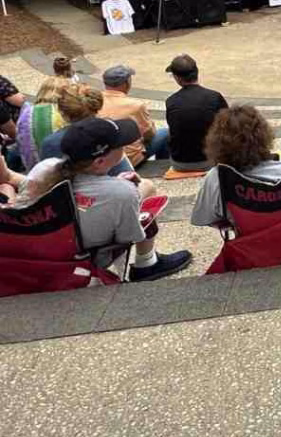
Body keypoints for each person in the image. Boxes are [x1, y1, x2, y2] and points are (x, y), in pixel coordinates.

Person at [26, 118, 192, 281]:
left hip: (48, 253)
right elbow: (128, 237)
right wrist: (124, 191)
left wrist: (116, 185)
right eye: (120, 145)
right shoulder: (122, 192)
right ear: (99, 161)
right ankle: (147, 263)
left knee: (143, 188)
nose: (124, 147)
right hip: (91, 260)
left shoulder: (44, 169)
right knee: (146, 194)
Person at [40, 83, 132, 175]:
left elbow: (47, 174)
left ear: (63, 114)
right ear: (97, 107)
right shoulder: (109, 132)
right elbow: (125, 171)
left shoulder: (50, 143)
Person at [165, 54, 228, 172]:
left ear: (177, 78)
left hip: (180, 163)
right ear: (197, 72)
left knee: (165, 133)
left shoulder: (171, 101)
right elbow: (228, 126)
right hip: (211, 160)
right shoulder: (215, 97)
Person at [98, 65, 169, 167]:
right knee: (166, 133)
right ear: (126, 83)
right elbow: (149, 133)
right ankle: (162, 166)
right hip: (130, 159)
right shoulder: (135, 105)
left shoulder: (95, 101)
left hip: (103, 158)